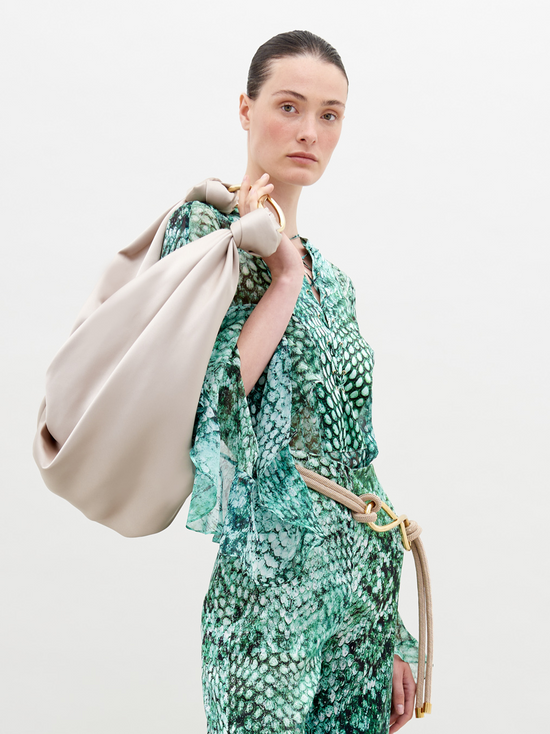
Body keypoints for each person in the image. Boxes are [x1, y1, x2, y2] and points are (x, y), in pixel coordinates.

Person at [159, 30, 419, 734]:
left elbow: (356, 460)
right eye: (289, 106)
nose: (309, 131)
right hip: (271, 589)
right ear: (245, 109)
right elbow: (205, 399)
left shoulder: (335, 281)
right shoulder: (206, 234)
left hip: (360, 591)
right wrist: (282, 278)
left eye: (329, 115)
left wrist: (393, 629)